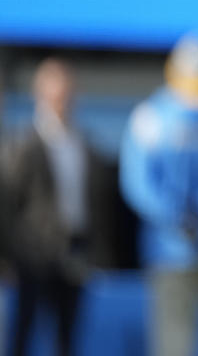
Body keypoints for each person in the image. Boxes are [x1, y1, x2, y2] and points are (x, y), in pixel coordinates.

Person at [119, 34, 198, 356]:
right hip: (172, 250)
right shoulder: (151, 116)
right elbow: (136, 182)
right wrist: (176, 213)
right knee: (173, 342)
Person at [1, 58, 124, 356]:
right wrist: (8, 258)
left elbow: (97, 203)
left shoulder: (84, 144)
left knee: (67, 338)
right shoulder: (22, 145)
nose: (62, 98)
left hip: (75, 254)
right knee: (23, 334)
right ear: (40, 93)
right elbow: (8, 207)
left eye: (66, 90)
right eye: (54, 90)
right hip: (33, 257)